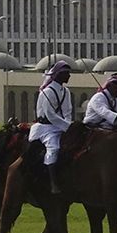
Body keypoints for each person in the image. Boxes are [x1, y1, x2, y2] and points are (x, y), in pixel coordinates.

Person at [31, 61, 75, 194]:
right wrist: (67, 126)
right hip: (46, 128)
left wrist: (68, 125)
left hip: (61, 126)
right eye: (66, 74)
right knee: (54, 148)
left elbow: (68, 111)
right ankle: (53, 183)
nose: (69, 76)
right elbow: (50, 115)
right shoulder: (47, 92)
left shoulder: (65, 91)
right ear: (58, 75)